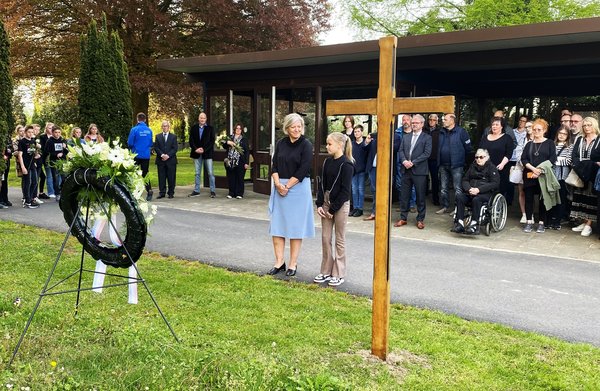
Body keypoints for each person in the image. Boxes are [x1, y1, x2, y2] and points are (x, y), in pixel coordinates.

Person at [267, 113, 314, 277]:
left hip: (298, 189)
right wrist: (278, 184)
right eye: (293, 127)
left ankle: (293, 264)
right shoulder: (280, 143)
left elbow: (304, 169)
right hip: (280, 187)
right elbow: (274, 165)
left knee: (295, 229)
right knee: (277, 228)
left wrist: (286, 186)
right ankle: (279, 262)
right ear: (287, 128)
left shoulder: (306, 145)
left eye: (299, 126)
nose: (297, 129)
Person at [314, 132, 354, 287]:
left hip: (340, 204)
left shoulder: (347, 164)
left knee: (339, 239)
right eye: (327, 143)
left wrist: (333, 209)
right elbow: (321, 184)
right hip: (326, 202)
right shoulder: (326, 162)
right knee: (325, 238)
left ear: (339, 145)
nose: (327, 146)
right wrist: (319, 204)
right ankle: (325, 270)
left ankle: (338, 272)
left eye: (329, 144)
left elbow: (345, 191)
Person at [520, 118, 558, 233]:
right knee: (529, 198)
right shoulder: (529, 144)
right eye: (534, 129)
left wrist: (540, 170)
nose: (536, 131)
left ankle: (541, 222)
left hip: (543, 174)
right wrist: (533, 169)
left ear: (544, 130)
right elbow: (524, 158)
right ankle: (529, 221)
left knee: (543, 199)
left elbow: (552, 159)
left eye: (539, 129)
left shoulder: (550, 143)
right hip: (529, 174)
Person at [395, 114, 432, 229]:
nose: (414, 125)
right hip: (406, 170)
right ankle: (403, 218)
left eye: (416, 123)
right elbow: (400, 151)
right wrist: (405, 161)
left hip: (419, 171)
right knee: (404, 195)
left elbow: (427, 153)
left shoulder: (427, 138)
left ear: (422, 124)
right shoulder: (406, 137)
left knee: (420, 196)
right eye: (413, 123)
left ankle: (420, 219)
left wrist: (413, 162)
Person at [452, 148, 500, 234]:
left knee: (476, 199)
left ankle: (474, 224)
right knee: (459, 197)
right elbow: (465, 180)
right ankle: (460, 223)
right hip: (470, 191)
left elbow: (495, 183)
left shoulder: (491, 168)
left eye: (481, 157)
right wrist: (469, 189)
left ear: (487, 157)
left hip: (485, 193)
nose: (478, 159)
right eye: (477, 157)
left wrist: (479, 190)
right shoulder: (472, 167)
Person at [570, 117, 600, 237]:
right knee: (580, 197)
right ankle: (583, 222)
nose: (587, 127)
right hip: (580, 172)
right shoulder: (579, 139)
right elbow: (574, 155)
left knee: (591, 198)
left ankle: (589, 224)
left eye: (589, 125)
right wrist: (579, 166)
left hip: (593, 174)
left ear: (594, 126)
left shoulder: (599, 140)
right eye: (585, 125)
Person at [436, 113, 472, 214]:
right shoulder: (442, 132)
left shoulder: (461, 132)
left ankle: (458, 208)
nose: (443, 121)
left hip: (457, 165)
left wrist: (462, 161)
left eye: (445, 119)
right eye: (443, 119)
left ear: (452, 120)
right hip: (443, 164)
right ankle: (445, 206)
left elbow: (468, 148)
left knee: (457, 188)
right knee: (443, 188)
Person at [479, 116, 515, 202]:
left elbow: (509, 153)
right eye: (493, 124)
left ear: (502, 126)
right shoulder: (485, 138)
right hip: (485, 168)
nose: (494, 126)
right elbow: (480, 151)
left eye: (497, 124)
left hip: (500, 168)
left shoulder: (507, 138)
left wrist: (502, 164)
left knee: (498, 190)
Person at [548, 126, 573, 230]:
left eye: (564, 134)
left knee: (561, 199)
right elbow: (548, 158)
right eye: (560, 133)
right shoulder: (551, 145)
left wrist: (554, 160)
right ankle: (549, 220)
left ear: (568, 136)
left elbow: (568, 161)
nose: (562, 135)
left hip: (563, 176)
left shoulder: (570, 146)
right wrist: (557, 160)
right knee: (550, 198)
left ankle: (557, 221)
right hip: (551, 175)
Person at [189, 112, 216, 198]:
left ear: (206, 119)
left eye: (204, 118)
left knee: (210, 173)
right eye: (201, 118)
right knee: (197, 173)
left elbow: (212, 141)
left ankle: (213, 191)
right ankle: (197, 190)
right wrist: (196, 149)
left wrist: (204, 149)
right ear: (198, 119)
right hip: (196, 153)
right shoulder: (193, 128)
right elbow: (191, 140)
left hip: (207, 153)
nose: (202, 119)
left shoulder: (210, 128)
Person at [128, 112, 154, 201]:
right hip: (146, 155)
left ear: (137, 119)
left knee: (133, 173)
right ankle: (149, 190)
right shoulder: (149, 130)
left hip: (136, 154)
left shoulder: (134, 130)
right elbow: (151, 143)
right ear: (145, 120)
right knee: (145, 173)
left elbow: (130, 143)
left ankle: (133, 191)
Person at [222, 123, 249, 199]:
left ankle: (239, 193)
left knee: (239, 177)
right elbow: (223, 145)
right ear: (234, 129)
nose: (238, 130)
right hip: (230, 161)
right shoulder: (230, 137)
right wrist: (228, 142)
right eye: (237, 128)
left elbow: (246, 151)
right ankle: (231, 193)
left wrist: (247, 163)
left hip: (240, 161)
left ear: (241, 130)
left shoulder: (244, 139)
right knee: (231, 177)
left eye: (240, 128)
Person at [153, 120, 178, 199]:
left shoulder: (173, 137)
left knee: (171, 177)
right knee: (161, 177)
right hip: (160, 160)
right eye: (163, 126)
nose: (165, 127)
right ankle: (162, 193)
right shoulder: (158, 136)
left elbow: (175, 148)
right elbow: (156, 147)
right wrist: (162, 155)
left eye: (166, 126)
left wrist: (168, 155)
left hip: (171, 160)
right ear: (161, 127)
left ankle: (171, 193)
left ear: (169, 127)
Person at [18, 125, 40, 209]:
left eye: (32, 132)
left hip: (32, 165)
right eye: (29, 132)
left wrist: (36, 155)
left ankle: (30, 198)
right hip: (25, 165)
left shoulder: (33, 141)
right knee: (27, 183)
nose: (30, 134)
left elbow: (33, 153)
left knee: (35, 182)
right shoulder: (22, 142)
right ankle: (27, 201)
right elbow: (20, 155)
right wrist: (23, 167)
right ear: (25, 132)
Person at [44, 125, 67, 202]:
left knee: (64, 178)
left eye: (59, 132)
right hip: (54, 162)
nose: (57, 134)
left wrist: (64, 148)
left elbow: (67, 152)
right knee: (56, 179)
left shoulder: (63, 140)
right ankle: (57, 193)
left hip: (63, 161)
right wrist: (55, 154)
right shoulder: (49, 141)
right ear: (52, 133)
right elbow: (47, 152)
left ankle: (62, 192)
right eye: (56, 132)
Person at [350, 124, 367, 217]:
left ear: (362, 132)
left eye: (358, 131)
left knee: (361, 189)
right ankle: (355, 208)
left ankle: (360, 209)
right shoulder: (351, 144)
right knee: (354, 190)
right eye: (355, 131)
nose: (356, 133)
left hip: (362, 170)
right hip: (353, 170)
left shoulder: (365, 144)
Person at [425, 113, 441, 206]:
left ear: (437, 121)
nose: (432, 121)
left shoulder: (440, 131)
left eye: (434, 120)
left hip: (434, 158)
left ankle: (436, 199)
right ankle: (423, 196)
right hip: (424, 158)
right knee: (423, 178)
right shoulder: (424, 130)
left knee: (435, 179)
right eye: (430, 119)